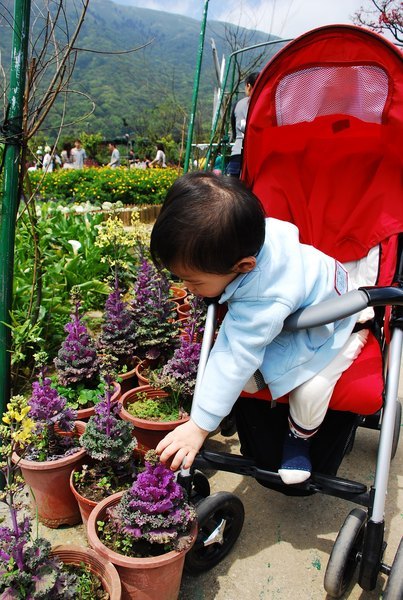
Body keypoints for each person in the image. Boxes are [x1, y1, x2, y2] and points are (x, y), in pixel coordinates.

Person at [150, 172, 367, 485]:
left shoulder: (266, 297)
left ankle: (299, 437)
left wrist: (199, 426)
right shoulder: (256, 232)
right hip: (303, 307)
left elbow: (233, 355)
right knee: (248, 379)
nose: (187, 288)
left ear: (244, 267)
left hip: (333, 324)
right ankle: (233, 400)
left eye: (194, 281)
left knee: (310, 390)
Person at [226, 72, 259, 178]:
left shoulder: (238, 104)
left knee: (235, 190)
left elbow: (235, 132)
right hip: (257, 155)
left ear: (248, 85)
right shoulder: (266, 104)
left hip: (237, 153)